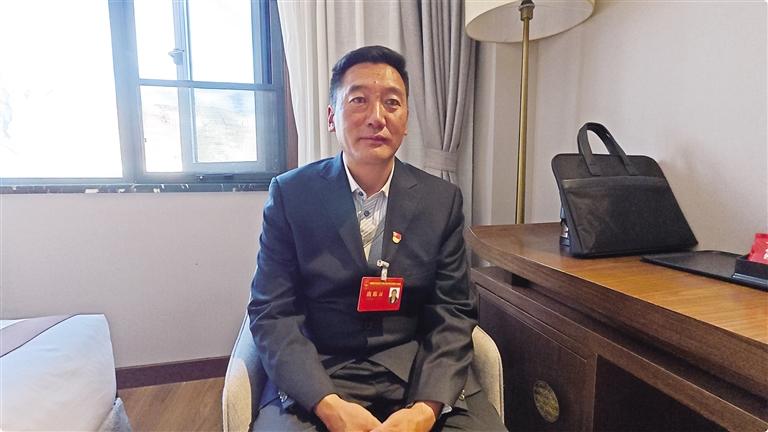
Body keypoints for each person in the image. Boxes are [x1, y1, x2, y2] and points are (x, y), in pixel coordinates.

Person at [248, 45, 506, 432]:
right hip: (321, 370)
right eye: (359, 100)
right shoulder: (292, 195)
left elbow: (453, 310)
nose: (377, 117)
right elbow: (272, 310)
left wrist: (425, 409)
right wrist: (328, 405)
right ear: (332, 117)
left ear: (406, 120)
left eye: (391, 102)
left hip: (415, 370)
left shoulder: (441, 200)